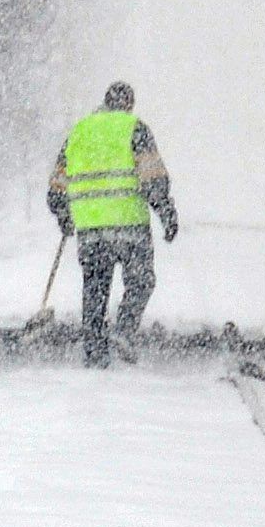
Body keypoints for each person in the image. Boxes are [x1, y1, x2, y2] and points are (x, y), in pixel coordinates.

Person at [47, 81, 177, 369]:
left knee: (95, 289)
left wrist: (65, 215)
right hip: (129, 225)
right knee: (141, 281)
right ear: (129, 104)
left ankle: (94, 352)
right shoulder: (135, 128)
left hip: (91, 231)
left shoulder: (78, 132)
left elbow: (56, 189)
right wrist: (166, 213)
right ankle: (124, 331)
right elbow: (153, 178)